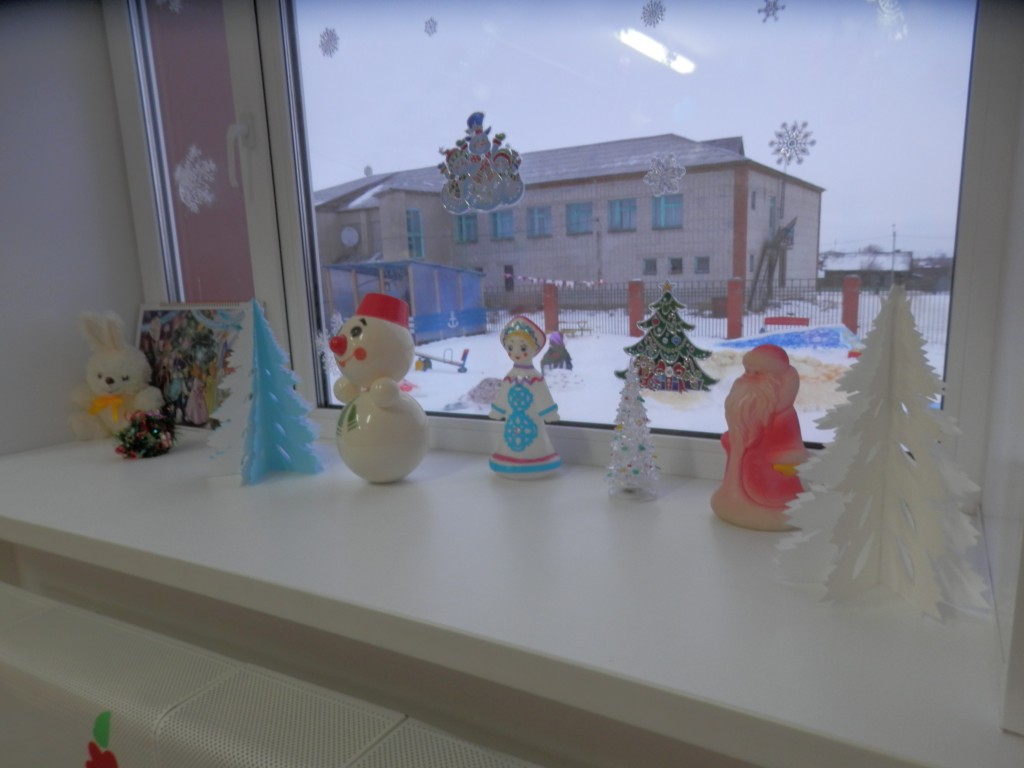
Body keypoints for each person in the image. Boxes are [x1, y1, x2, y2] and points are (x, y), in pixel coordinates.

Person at [710, 344, 808, 531]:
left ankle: (765, 510)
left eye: (757, 373)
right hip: (738, 469)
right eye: (747, 371)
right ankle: (732, 502)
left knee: (768, 497)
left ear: (774, 379)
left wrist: (781, 457)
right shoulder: (747, 407)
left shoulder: (782, 415)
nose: (749, 377)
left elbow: (790, 446)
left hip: (768, 475)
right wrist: (731, 441)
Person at [489, 316, 561, 478]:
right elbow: (503, 394)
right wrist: (498, 410)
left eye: (522, 348)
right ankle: (510, 460)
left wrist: (549, 413)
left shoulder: (535, 378)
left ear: (534, 349)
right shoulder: (510, 377)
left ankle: (535, 461)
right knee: (510, 438)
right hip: (512, 422)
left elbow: (543, 396)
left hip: (532, 421)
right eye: (510, 347)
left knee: (535, 437)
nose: (516, 353)